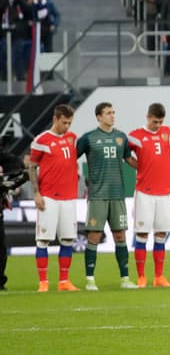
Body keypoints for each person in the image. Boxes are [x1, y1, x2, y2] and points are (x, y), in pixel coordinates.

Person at [74, 102, 137, 291]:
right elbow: (71, 159)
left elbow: (129, 159)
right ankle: (90, 280)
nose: (112, 115)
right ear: (99, 117)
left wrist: (149, 167)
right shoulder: (88, 138)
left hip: (117, 195)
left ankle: (125, 279)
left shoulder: (121, 137)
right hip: (97, 196)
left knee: (120, 235)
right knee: (94, 235)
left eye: (113, 112)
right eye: (108, 113)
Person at [26, 104, 81, 292]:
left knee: (67, 239)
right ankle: (43, 282)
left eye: (70, 123)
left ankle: (64, 281)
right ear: (55, 119)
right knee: (43, 240)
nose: (67, 126)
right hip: (49, 197)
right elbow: (32, 167)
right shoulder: (41, 140)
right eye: (64, 122)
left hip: (69, 197)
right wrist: (36, 193)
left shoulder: (72, 138)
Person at [126, 102, 170, 288]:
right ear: (148, 117)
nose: (158, 125)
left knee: (161, 234)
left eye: (160, 122)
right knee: (142, 234)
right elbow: (125, 155)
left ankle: (159, 277)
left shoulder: (167, 132)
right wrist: (139, 167)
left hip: (164, 192)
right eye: (155, 121)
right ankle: (141, 277)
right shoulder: (135, 136)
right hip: (145, 192)